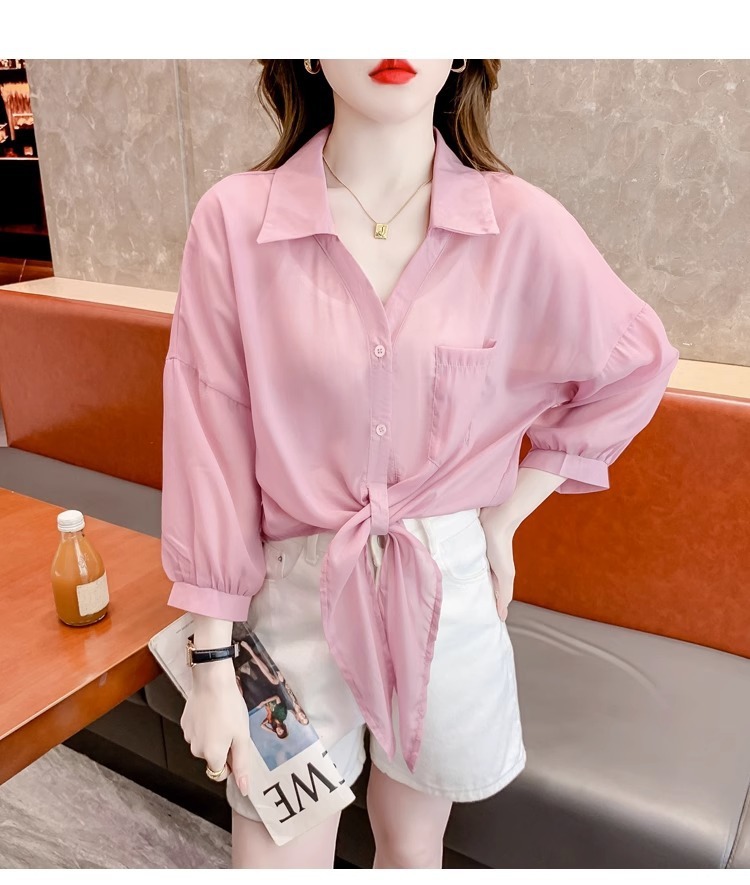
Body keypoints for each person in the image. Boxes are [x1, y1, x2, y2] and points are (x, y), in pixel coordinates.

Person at [161, 59, 680, 869]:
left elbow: (635, 362)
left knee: (412, 850)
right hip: (295, 593)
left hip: (446, 586)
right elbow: (209, 440)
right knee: (274, 858)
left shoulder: (519, 226)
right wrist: (213, 661)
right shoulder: (234, 221)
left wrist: (504, 518)